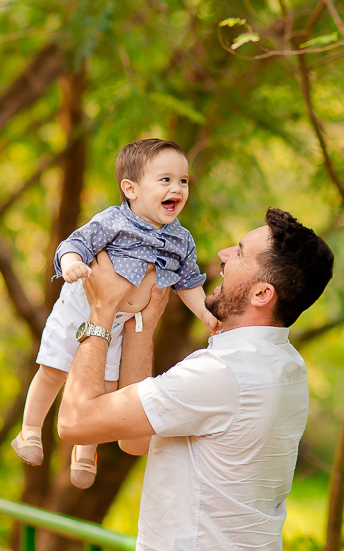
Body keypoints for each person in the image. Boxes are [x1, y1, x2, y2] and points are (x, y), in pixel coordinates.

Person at [57, 208, 334, 551]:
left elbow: (75, 423)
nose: (223, 255)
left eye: (241, 253)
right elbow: (136, 440)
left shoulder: (222, 374)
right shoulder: (281, 364)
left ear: (261, 293)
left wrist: (99, 314)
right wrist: (147, 317)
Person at [11, 138, 218, 489]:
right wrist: (73, 263)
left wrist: (205, 313)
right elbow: (74, 243)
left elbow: (188, 281)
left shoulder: (181, 239)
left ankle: (84, 451)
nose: (177, 188)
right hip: (81, 307)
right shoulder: (113, 221)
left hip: (123, 322)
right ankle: (29, 431)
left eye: (183, 181)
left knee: (104, 386)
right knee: (54, 369)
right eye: (165, 180)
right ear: (131, 188)